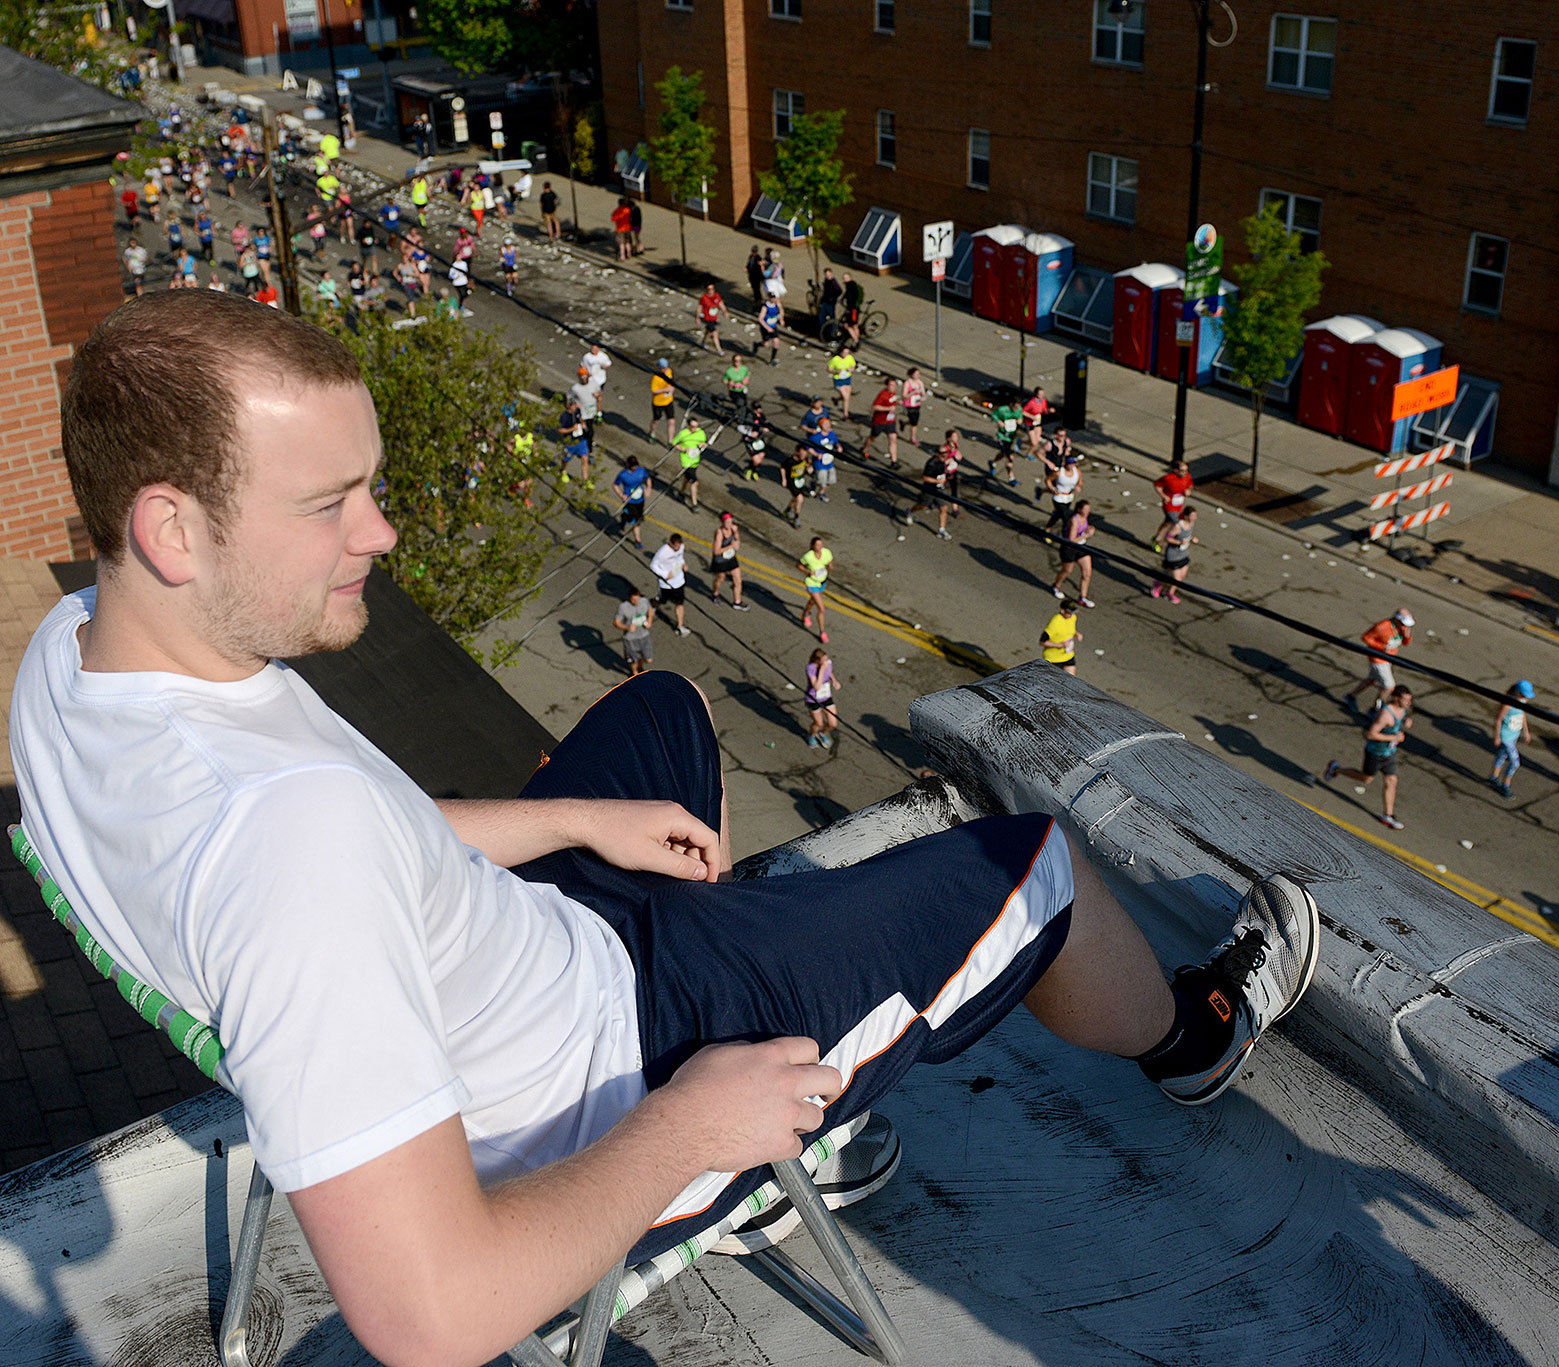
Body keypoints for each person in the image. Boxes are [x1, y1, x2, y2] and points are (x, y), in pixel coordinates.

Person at [30, 252, 1329, 1367]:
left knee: (666, 713)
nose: (381, 531)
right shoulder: (287, 843)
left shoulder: (71, 656)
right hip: (613, 1080)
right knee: (1038, 868)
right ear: (173, 530)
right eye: (329, 504)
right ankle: (1189, 1035)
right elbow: (429, 1312)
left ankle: (759, 1027)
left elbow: (372, 845)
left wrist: (571, 827)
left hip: (513, 966)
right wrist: (688, 1127)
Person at [1324, 685, 1412, 830]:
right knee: (1366, 779)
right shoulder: (1386, 715)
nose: (1408, 703)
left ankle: (1388, 815)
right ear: (1396, 698)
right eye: (1406, 700)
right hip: (1375, 753)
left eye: (1409, 700)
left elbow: (1398, 722)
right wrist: (1393, 737)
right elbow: (1371, 734)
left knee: (1391, 781)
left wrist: (1405, 721)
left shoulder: (1401, 710)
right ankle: (1336, 769)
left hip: (1389, 753)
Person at [1340, 609, 1415, 715]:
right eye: (1403, 623)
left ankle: (1350, 696)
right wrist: (1381, 647)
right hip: (1378, 659)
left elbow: (1406, 643)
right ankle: (1375, 710)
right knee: (1389, 686)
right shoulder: (1382, 627)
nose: (1405, 626)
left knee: (1372, 679)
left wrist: (1407, 636)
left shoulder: (1403, 628)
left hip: (1389, 659)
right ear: (1397, 620)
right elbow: (1366, 637)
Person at [1489, 680, 1534, 799]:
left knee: (1502, 755)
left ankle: (1494, 777)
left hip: (1514, 735)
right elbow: (1499, 720)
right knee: (1515, 763)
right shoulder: (1508, 704)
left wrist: (1526, 731)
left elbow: (1523, 715)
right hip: (1506, 737)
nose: (1525, 698)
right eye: (1523, 695)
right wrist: (1497, 736)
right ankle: (1505, 785)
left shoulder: (1523, 701)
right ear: (1517, 692)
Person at [1051, 501, 1095, 607]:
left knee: (1087, 572)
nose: (1088, 512)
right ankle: (1056, 586)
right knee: (1067, 570)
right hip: (1069, 548)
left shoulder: (1085, 518)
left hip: (1081, 547)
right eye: (1085, 509)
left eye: (1088, 509)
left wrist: (1090, 529)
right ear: (1079, 509)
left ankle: (1083, 597)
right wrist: (1086, 535)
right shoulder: (1074, 520)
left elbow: (1084, 530)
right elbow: (1071, 540)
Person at [1151, 508, 1198, 604]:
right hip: (1173, 555)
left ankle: (1164, 588)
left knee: (1181, 577)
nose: (1194, 518)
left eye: (1195, 516)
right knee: (1176, 579)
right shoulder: (1178, 526)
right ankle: (1163, 589)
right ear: (1186, 516)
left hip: (1183, 554)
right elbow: (1168, 538)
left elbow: (1187, 536)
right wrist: (1179, 542)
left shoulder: (1191, 524)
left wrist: (1192, 539)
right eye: (1192, 516)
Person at [649, 534, 690, 636]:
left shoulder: (681, 547)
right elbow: (653, 565)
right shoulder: (662, 552)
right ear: (670, 543)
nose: (677, 548)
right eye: (675, 546)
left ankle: (680, 626)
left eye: (679, 545)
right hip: (666, 584)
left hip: (679, 581)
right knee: (661, 601)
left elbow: (680, 557)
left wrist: (683, 564)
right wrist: (665, 575)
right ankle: (652, 605)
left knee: (679, 603)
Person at [709, 512, 748, 610]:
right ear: (722, 522)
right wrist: (730, 546)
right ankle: (715, 593)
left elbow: (737, 546)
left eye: (731, 521)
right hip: (720, 560)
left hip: (731, 557)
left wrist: (736, 534)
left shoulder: (734, 529)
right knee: (720, 578)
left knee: (738, 580)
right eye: (727, 522)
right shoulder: (719, 533)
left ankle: (737, 601)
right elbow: (716, 551)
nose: (729, 524)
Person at [1153, 458, 1194, 552]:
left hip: (1179, 506)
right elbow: (1157, 485)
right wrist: (1163, 496)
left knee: (1167, 523)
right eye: (1182, 471)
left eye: (1186, 470)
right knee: (1176, 523)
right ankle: (1171, 540)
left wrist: (1189, 491)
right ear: (1176, 470)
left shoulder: (1187, 476)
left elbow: (1190, 485)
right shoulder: (1168, 478)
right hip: (1169, 506)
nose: (1185, 473)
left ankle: (1157, 538)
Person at [613, 586, 654, 677]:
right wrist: (627, 627)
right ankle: (634, 673)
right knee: (633, 660)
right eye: (633, 600)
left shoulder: (644, 601)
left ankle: (640, 664)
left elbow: (650, 610)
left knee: (649, 659)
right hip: (630, 639)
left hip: (644, 635)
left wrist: (649, 621)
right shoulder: (623, 607)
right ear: (629, 598)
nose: (636, 602)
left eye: (637, 599)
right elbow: (616, 623)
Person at [798, 535, 832, 643]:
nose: (820, 547)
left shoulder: (826, 552)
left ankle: (805, 613)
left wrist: (830, 566)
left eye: (821, 544)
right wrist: (808, 572)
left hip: (822, 582)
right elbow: (799, 565)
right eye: (817, 545)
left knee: (813, 601)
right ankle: (822, 633)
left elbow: (830, 562)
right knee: (821, 609)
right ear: (812, 546)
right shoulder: (808, 557)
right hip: (812, 583)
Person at [803, 648, 839, 749]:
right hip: (813, 699)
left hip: (826, 696)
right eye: (824, 660)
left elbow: (829, 672)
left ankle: (822, 734)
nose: (826, 662)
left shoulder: (827, 663)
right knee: (818, 723)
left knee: (833, 723)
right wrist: (821, 671)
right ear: (817, 661)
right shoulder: (811, 668)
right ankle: (812, 735)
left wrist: (834, 680)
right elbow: (817, 686)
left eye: (827, 659)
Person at [614, 456, 652, 551]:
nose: (634, 467)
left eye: (635, 465)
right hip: (630, 501)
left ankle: (625, 518)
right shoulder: (623, 475)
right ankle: (637, 539)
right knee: (636, 520)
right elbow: (615, 485)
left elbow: (648, 479)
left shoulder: (641, 471)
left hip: (640, 500)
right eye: (632, 466)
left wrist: (648, 489)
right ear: (628, 465)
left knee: (637, 519)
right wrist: (621, 495)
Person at [672, 420, 708, 511]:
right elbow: (674, 443)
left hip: (695, 461)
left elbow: (705, 443)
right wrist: (683, 449)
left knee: (687, 478)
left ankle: (681, 493)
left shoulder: (700, 432)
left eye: (697, 426)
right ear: (688, 426)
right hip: (686, 462)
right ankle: (694, 504)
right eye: (693, 426)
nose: (695, 428)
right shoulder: (683, 434)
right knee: (694, 482)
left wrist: (702, 445)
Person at [1040, 598, 1081, 675]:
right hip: (1053, 659)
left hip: (1068, 656)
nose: (1071, 615)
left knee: (1071, 679)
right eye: (1069, 612)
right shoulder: (1055, 623)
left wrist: (1076, 634)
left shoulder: (1073, 617)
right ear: (1062, 610)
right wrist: (1060, 645)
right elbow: (1042, 642)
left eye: (1072, 612)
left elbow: (1069, 628)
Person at [862, 380, 899, 462]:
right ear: (887, 386)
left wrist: (898, 402)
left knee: (893, 438)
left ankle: (894, 461)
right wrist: (888, 409)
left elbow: (892, 401)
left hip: (890, 421)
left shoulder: (893, 394)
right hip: (880, 421)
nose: (893, 387)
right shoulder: (883, 395)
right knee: (873, 437)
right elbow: (875, 407)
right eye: (891, 385)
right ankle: (864, 450)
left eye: (894, 385)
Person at [1043, 452, 1081, 533]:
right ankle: (1066, 535)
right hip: (1058, 498)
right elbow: (1048, 480)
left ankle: (1048, 528)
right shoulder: (1059, 472)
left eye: (1073, 463)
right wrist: (1052, 488)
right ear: (1065, 463)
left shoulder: (1077, 472)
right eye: (1070, 463)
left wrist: (1078, 487)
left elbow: (1080, 482)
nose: (1072, 465)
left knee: (1058, 514)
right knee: (1065, 517)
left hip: (1069, 497)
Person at [989, 397, 1023, 484]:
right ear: (1011, 404)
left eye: (1018, 407)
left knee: (1003, 453)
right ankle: (1011, 478)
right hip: (1002, 436)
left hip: (1011, 435)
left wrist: (1020, 420)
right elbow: (994, 415)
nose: (1016, 409)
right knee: (1010, 457)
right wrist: (999, 422)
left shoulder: (1019, 409)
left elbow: (1020, 416)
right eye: (1015, 407)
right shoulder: (1002, 410)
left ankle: (993, 462)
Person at [783, 443, 814, 528]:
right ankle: (796, 518)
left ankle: (788, 510)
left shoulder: (805, 459)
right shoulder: (790, 461)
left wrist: (809, 469)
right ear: (797, 452)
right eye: (802, 454)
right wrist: (784, 479)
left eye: (805, 454)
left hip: (800, 482)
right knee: (800, 499)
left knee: (795, 498)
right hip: (791, 482)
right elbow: (782, 468)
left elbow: (808, 467)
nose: (803, 456)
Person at [648, 361, 678, 443]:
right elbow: (654, 391)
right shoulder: (656, 378)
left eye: (666, 367)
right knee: (656, 420)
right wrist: (665, 390)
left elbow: (672, 382)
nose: (665, 370)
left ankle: (670, 441)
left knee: (671, 421)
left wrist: (672, 388)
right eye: (663, 368)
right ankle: (652, 433)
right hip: (658, 403)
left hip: (668, 401)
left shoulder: (669, 371)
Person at [828, 345, 857, 420]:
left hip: (847, 378)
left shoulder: (850, 358)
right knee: (845, 397)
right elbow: (829, 369)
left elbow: (853, 366)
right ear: (840, 352)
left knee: (847, 397)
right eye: (844, 353)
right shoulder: (835, 359)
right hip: (838, 379)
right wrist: (835, 371)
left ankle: (836, 400)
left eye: (847, 353)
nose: (845, 355)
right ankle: (845, 414)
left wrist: (851, 369)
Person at [697, 284, 726, 355]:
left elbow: (721, 304)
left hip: (714, 318)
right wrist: (698, 317)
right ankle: (719, 350)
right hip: (707, 318)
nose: (711, 291)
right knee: (715, 333)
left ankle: (703, 342)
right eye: (709, 289)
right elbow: (699, 307)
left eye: (712, 289)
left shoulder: (716, 296)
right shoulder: (704, 298)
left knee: (708, 331)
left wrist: (725, 312)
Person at [756, 294, 784, 364]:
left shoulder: (777, 305)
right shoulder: (765, 307)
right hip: (765, 328)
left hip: (773, 327)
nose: (773, 299)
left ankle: (773, 358)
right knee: (766, 344)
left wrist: (781, 319)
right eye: (772, 298)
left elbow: (781, 313)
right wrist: (767, 328)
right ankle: (757, 344)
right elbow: (760, 319)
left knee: (776, 341)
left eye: (775, 298)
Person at [900, 366, 926, 436]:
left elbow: (923, 393)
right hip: (908, 405)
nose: (918, 376)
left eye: (919, 374)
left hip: (917, 404)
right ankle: (913, 438)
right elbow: (904, 396)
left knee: (915, 421)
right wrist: (913, 392)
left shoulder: (920, 383)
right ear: (911, 374)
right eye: (916, 374)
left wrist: (923, 396)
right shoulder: (907, 383)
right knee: (914, 422)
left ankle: (904, 423)